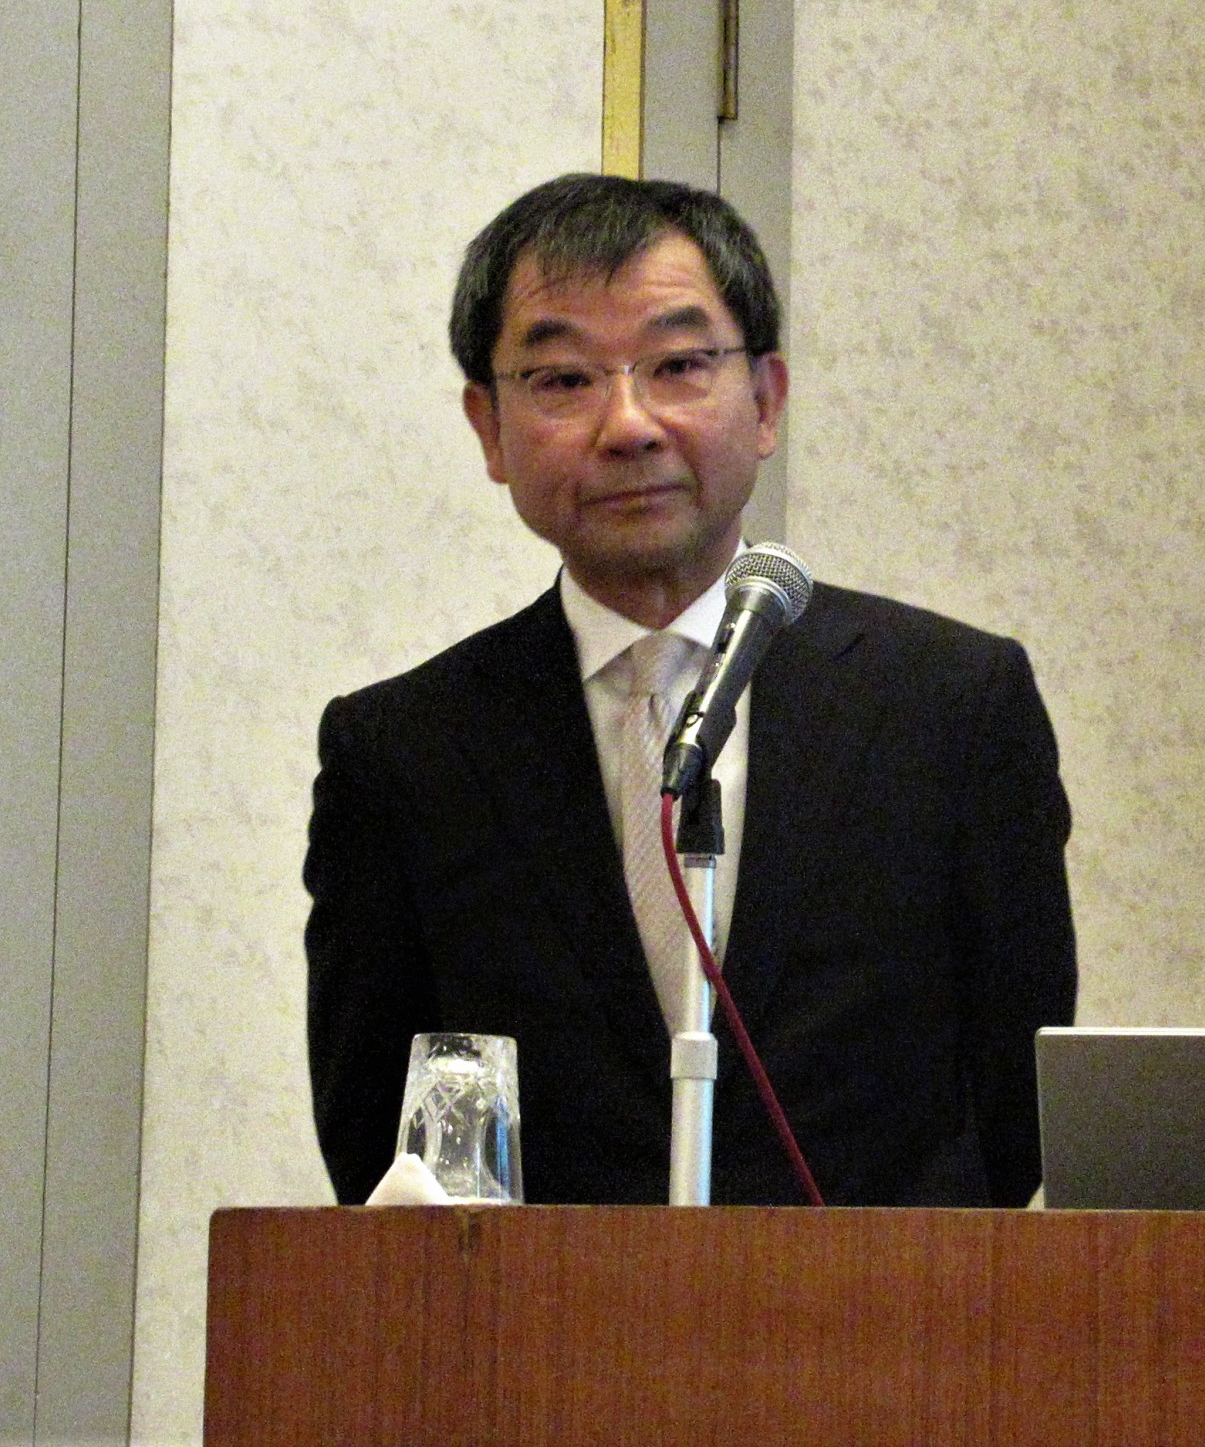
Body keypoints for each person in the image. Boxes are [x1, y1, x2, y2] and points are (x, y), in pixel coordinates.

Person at [304, 173, 1077, 1206]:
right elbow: (379, 1147)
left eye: (677, 366)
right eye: (563, 379)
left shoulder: (950, 707)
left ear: (765, 401)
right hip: (544, 1311)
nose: (628, 425)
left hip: (878, 1305)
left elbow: (1017, 1113)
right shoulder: (404, 753)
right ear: (488, 428)